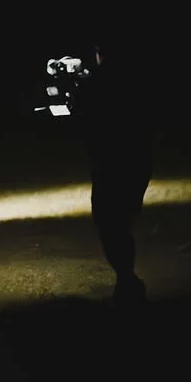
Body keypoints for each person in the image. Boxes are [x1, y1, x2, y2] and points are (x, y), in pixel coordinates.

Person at [77, 28, 154, 306]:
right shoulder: (139, 80)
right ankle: (127, 281)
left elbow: (86, 123)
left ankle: (127, 282)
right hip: (137, 161)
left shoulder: (100, 82)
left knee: (110, 222)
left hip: (111, 164)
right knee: (121, 221)